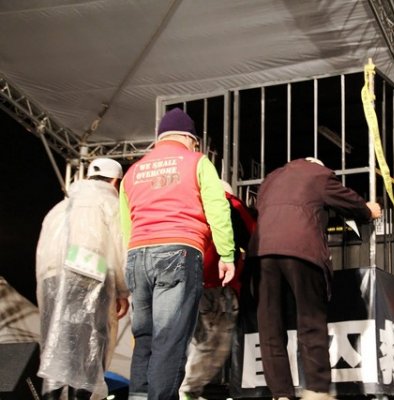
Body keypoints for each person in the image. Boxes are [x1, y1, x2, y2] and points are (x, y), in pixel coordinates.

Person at [120, 108, 236, 400]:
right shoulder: (197, 161)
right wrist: (226, 254)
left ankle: (138, 396)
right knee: (169, 337)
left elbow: (126, 224)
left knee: (144, 337)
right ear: (189, 137)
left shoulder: (133, 172)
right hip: (178, 250)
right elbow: (218, 208)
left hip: (137, 254)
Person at [249, 157, 382, 400]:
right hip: (302, 250)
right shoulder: (318, 175)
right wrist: (367, 210)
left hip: (262, 252)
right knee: (310, 322)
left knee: (270, 327)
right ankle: (317, 391)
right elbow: (349, 201)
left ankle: (280, 394)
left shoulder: (271, 178)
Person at [36, 158, 129, 400]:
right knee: (89, 347)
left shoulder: (60, 207)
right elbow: (119, 247)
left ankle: (51, 397)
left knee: (57, 345)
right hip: (90, 276)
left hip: (51, 279)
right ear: (115, 181)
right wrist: (122, 290)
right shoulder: (109, 203)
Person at [181, 182, 257, 400]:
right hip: (216, 283)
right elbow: (254, 238)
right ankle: (188, 390)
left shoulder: (187, 201)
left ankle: (174, 388)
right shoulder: (231, 204)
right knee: (215, 341)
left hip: (181, 281)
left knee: (184, 340)